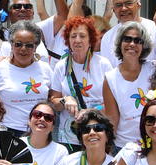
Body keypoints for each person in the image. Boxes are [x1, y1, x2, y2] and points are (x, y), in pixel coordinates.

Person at [48, 16, 113, 151]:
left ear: (90, 40)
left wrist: (93, 111)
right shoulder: (61, 66)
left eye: (82, 36)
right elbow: (54, 100)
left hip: (97, 133)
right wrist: (65, 100)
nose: (77, 40)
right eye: (73, 36)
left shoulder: (103, 64)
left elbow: (113, 103)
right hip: (69, 136)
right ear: (68, 40)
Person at [0, 20, 54, 135]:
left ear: (36, 47)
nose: (23, 49)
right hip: (7, 132)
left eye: (29, 45)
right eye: (18, 44)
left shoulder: (46, 69)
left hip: (39, 133)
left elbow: (53, 99)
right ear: (11, 44)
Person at [101, 20, 156, 147]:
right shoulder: (110, 78)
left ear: (144, 46)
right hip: (124, 146)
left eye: (138, 41)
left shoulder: (154, 70)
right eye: (127, 39)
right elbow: (112, 120)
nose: (132, 44)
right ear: (120, 43)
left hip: (153, 143)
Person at [97, 0, 156, 65]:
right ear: (113, 10)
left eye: (128, 3)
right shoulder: (108, 37)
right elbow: (107, 70)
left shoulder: (155, 30)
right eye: (118, 5)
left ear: (138, 5)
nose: (123, 8)